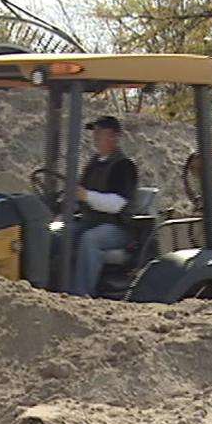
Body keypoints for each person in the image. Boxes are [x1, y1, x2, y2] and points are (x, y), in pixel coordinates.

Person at [65, 115, 139, 297]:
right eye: (94, 133)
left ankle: (80, 294)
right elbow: (80, 193)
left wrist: (86, 196)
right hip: (91, 221)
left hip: (118, 227)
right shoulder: (93, 164)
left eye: (100, 133)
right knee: (61, 233)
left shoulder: (123, 166)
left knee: (91, 239)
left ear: (114, 136)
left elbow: (117, 204)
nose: (95, 137)